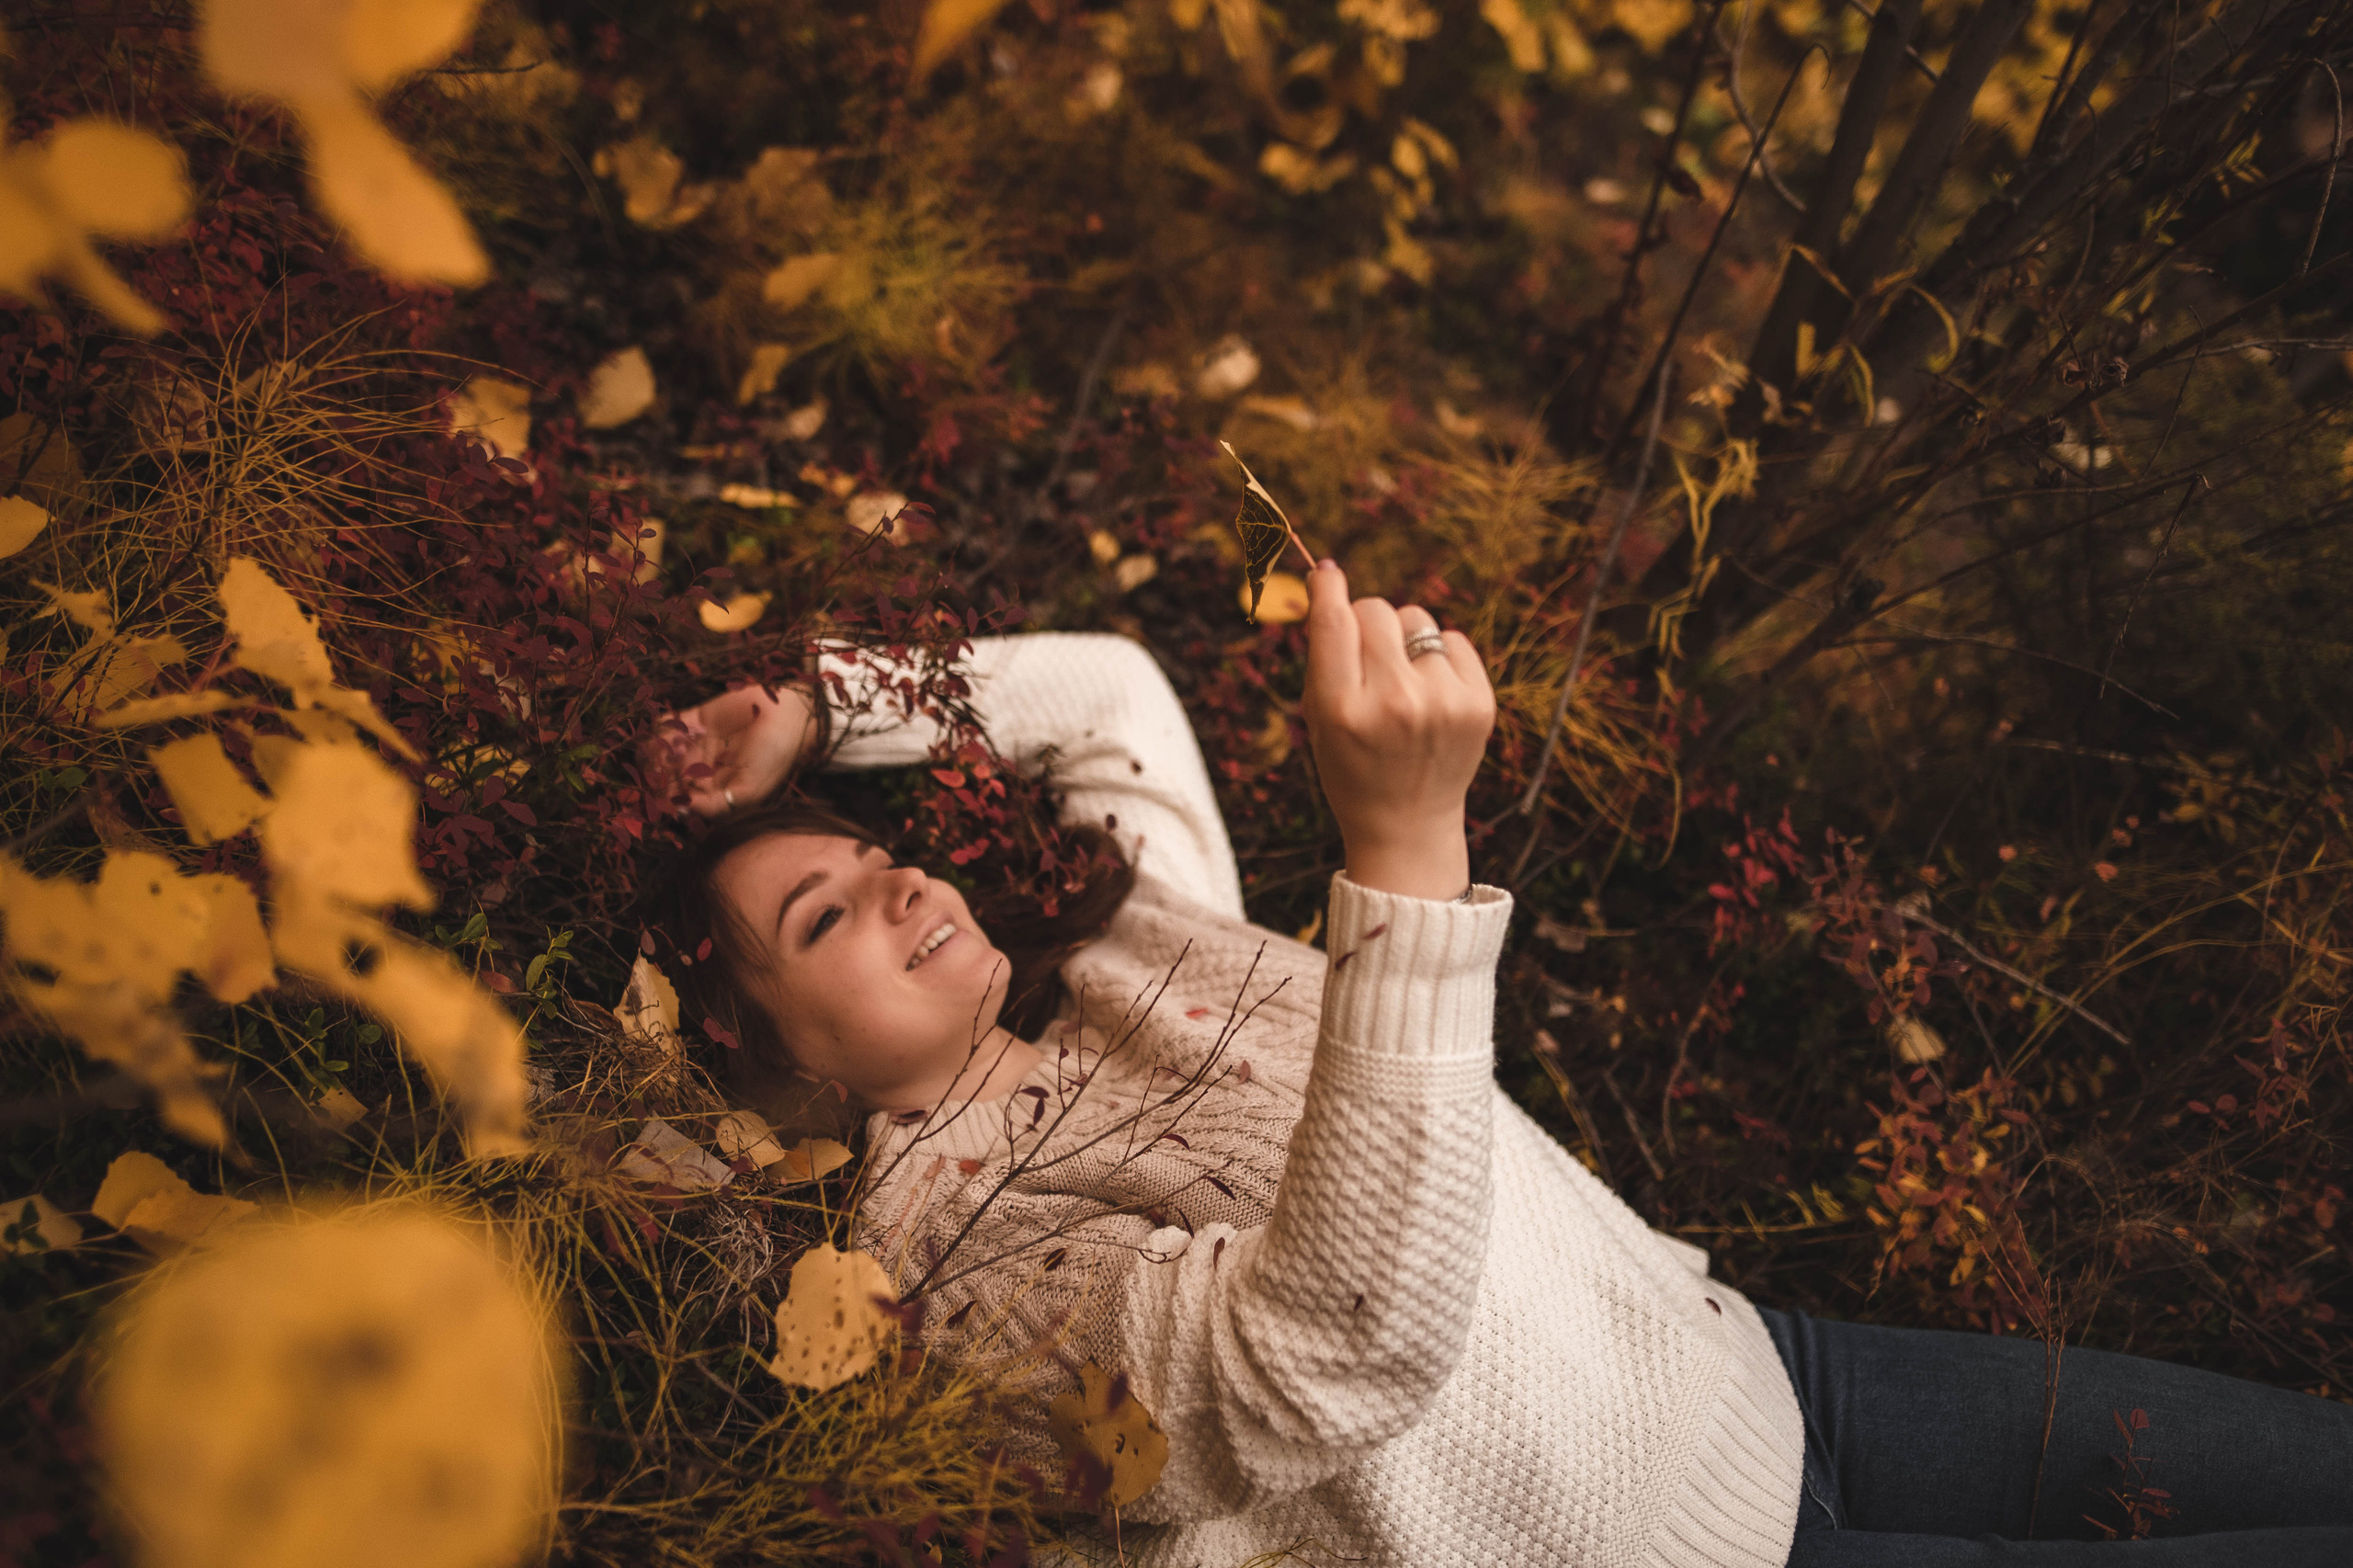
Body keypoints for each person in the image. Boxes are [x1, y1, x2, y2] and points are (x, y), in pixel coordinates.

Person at [648, 560, 2353, 1567]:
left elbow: (1106, 694)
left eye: (880, 858)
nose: (901, 881)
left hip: (1776, 1375)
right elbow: (1321, 1354)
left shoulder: (1118, 954)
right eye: (823, 920)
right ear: (773, 1064)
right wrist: (1403, 847)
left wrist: (817, 703)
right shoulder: (945, 1289)